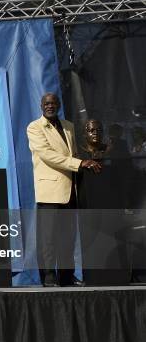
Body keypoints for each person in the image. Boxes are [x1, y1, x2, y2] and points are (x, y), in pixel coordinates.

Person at [26, 93, 101, 287]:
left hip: (70, 189)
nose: (50, 106)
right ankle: (49, 277)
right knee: (48, 239)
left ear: (59, 105)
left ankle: (67, 276)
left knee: (68, 238)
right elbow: (47, 155)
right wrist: (79, 162)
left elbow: (74, 152)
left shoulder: (69, 126)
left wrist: (88, 159)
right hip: (49, 190)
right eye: (46, 103)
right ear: (41, 106)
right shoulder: (34, 127)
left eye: (54, 103)